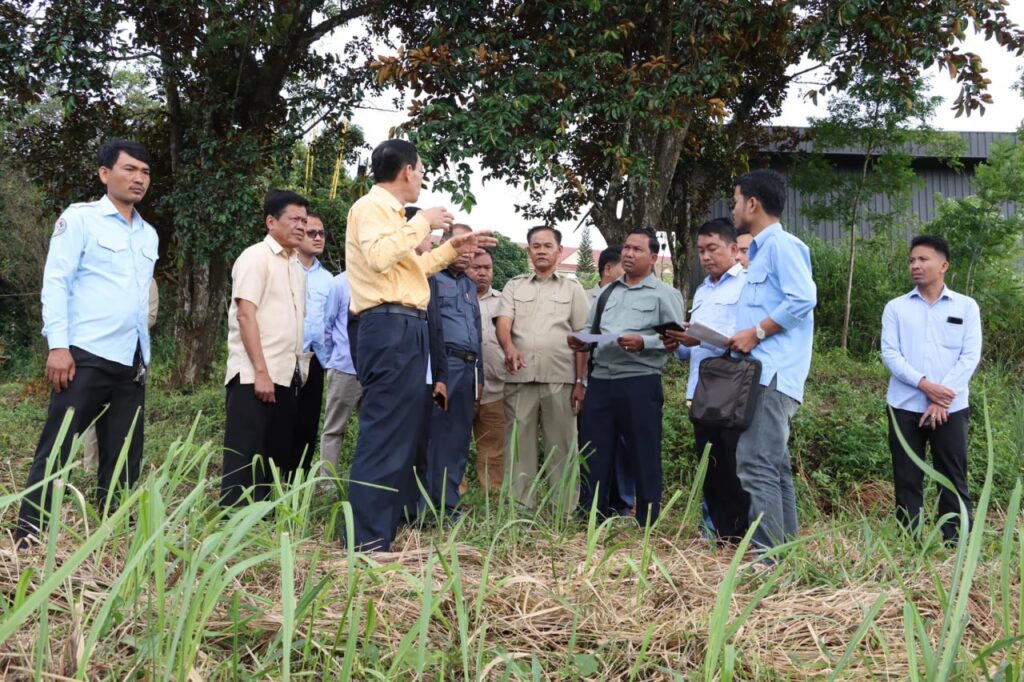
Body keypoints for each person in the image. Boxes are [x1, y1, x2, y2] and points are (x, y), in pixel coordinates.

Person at [344, 139, 494, 552]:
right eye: (422, 169)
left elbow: (413, 269)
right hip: (388, 326)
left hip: (407, 326)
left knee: (403, 435)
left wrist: (451, 249)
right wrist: (422, 223)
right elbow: (377, 257)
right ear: (407, 170)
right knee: (384, 433)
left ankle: (381, 531)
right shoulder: (371, 208)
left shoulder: (390, 215)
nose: (424, 178)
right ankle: (366, 539)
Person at [16, 139, 159, 546]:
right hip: (85, 356)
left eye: (145, 172)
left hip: (131, 361)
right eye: (129, 169)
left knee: (122, 458)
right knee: (57, 449)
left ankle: (111, 541)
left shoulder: (148, 235)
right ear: (104, 173)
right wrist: (58, 346)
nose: (139, 179)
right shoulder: (80, 220)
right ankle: (29, 538)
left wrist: (143, 358)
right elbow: (56, 282)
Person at [726, 169, 816, 554]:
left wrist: (756, 332)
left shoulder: (781, 246)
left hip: (772, 374)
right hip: (761, 372)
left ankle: (766, 561)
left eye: (734, 201)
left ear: (752, 203)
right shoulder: (762, 252)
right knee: (773, 469)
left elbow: (802, 299)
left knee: (755, 466)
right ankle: (785, 553)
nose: (731, 210)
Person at [570, 227, 684, 525]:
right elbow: (589, 330)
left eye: (637, 250)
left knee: (643, 453)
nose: (629, 254)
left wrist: (643, 342)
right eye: (626, 249)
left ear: (653, 257)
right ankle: (590, 517)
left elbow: (675, 340)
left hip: (640, 381)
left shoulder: (666, 294)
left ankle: (648, 522)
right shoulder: (607, 292)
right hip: (602, 381)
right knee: (594, 453)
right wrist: (580, 340)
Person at [881, 235, 981, 542]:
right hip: (905, 406)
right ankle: (909, 542)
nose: (915, 265)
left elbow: (969, 356)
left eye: (923, 259)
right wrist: (925, 385)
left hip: (951, 409)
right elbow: (891, 354)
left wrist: (942, 398)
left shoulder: (965, 306)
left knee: (952, 477)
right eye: (912, 260)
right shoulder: (896, 308)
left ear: (944, 265)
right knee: (907, 478)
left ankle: (957, 541)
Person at [220, 189, 311, 507]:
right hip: (255, 375)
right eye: (294, 219)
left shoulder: (295, 266)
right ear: (271, 221)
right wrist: (260, 372)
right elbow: (246, 314)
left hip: (286, 375)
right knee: (245, 453)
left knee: (271, 454)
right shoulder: (255, 257)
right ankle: (232, 519)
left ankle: (260, 519)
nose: (301, 226)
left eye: (304, 220)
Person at [662, 218, 749, 540]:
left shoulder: (748, 287)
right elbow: (693, 349)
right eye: (700, 251)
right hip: (700, 388)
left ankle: (738, 536)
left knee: (733, 466)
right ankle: (712, 532)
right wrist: (678, 344)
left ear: (733, 248)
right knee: (708, 465)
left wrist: (702, 340)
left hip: (732, 389)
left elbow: (744, 341)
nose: (706, 256)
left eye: (712, 248)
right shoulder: (702, 290)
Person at [496, 225, 590, 510]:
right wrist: (509, 348)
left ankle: (564, 511)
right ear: (529, 251)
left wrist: (580, 382)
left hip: (560, 379)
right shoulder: (514, 286)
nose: (541, 251)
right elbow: (503, 323)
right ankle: (521, 510)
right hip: (520, 378)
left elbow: (582, 339)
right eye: (535, 246)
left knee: (562, 447)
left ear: (559, 251)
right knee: (518, 449)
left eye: (547, 246)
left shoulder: (573, 289)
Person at [422, 224, 483, 517]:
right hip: (442, 366)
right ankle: (424, 505)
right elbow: (431, 328)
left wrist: (479, 376)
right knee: (433, 436)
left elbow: (478, 332)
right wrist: (438, 374)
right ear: (445, 243)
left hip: (468, 368)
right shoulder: (430, 277)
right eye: (459, 245)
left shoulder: (470, 285)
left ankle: (448, 505)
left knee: (458, 439)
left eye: (471, 248)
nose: (465, 253)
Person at [82, 278, 159, 470]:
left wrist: (120, 320)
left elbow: (150, 318)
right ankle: (89, 466)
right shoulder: (104, 276)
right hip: (98, 353)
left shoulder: (148, 281)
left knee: (124, 416)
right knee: (93, 412)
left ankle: (121, 471)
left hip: (132, 357)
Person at [583, 244, 634, 516]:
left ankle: (623, 503)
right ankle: (593, 506)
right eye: (624, 269)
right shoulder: (587, 297)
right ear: (608, 269)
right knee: (596, 445)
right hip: (594, 377)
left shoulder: (632, 297)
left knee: (624, 445)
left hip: (626, 375)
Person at [289, 211, 334, 476]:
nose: (318, 238)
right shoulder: (284, 267)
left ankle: (299, 481)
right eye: (311, 233)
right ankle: (274, 479)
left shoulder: (329, 279)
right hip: (286, 356)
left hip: (316, 359)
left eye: (322, 233)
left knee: (307, 423)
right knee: (283, 420)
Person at [461, 248, 507, 495]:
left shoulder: (503, 302)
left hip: (495, 388)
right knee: (456, 443)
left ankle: (493, 496)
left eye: (487, 268)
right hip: (460, 386)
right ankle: (455, 497)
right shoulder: (454, 300)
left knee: (493, 447)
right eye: (476, 267)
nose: (482, 273)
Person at [319, 270, 362, 485]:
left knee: (372, 430)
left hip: (375, 370)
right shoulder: (339, 284)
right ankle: (327, 484)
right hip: (345, 368)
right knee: (334, 428)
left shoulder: (381, 279)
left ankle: (363, 483)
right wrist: (331, 361)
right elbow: (327, 325)